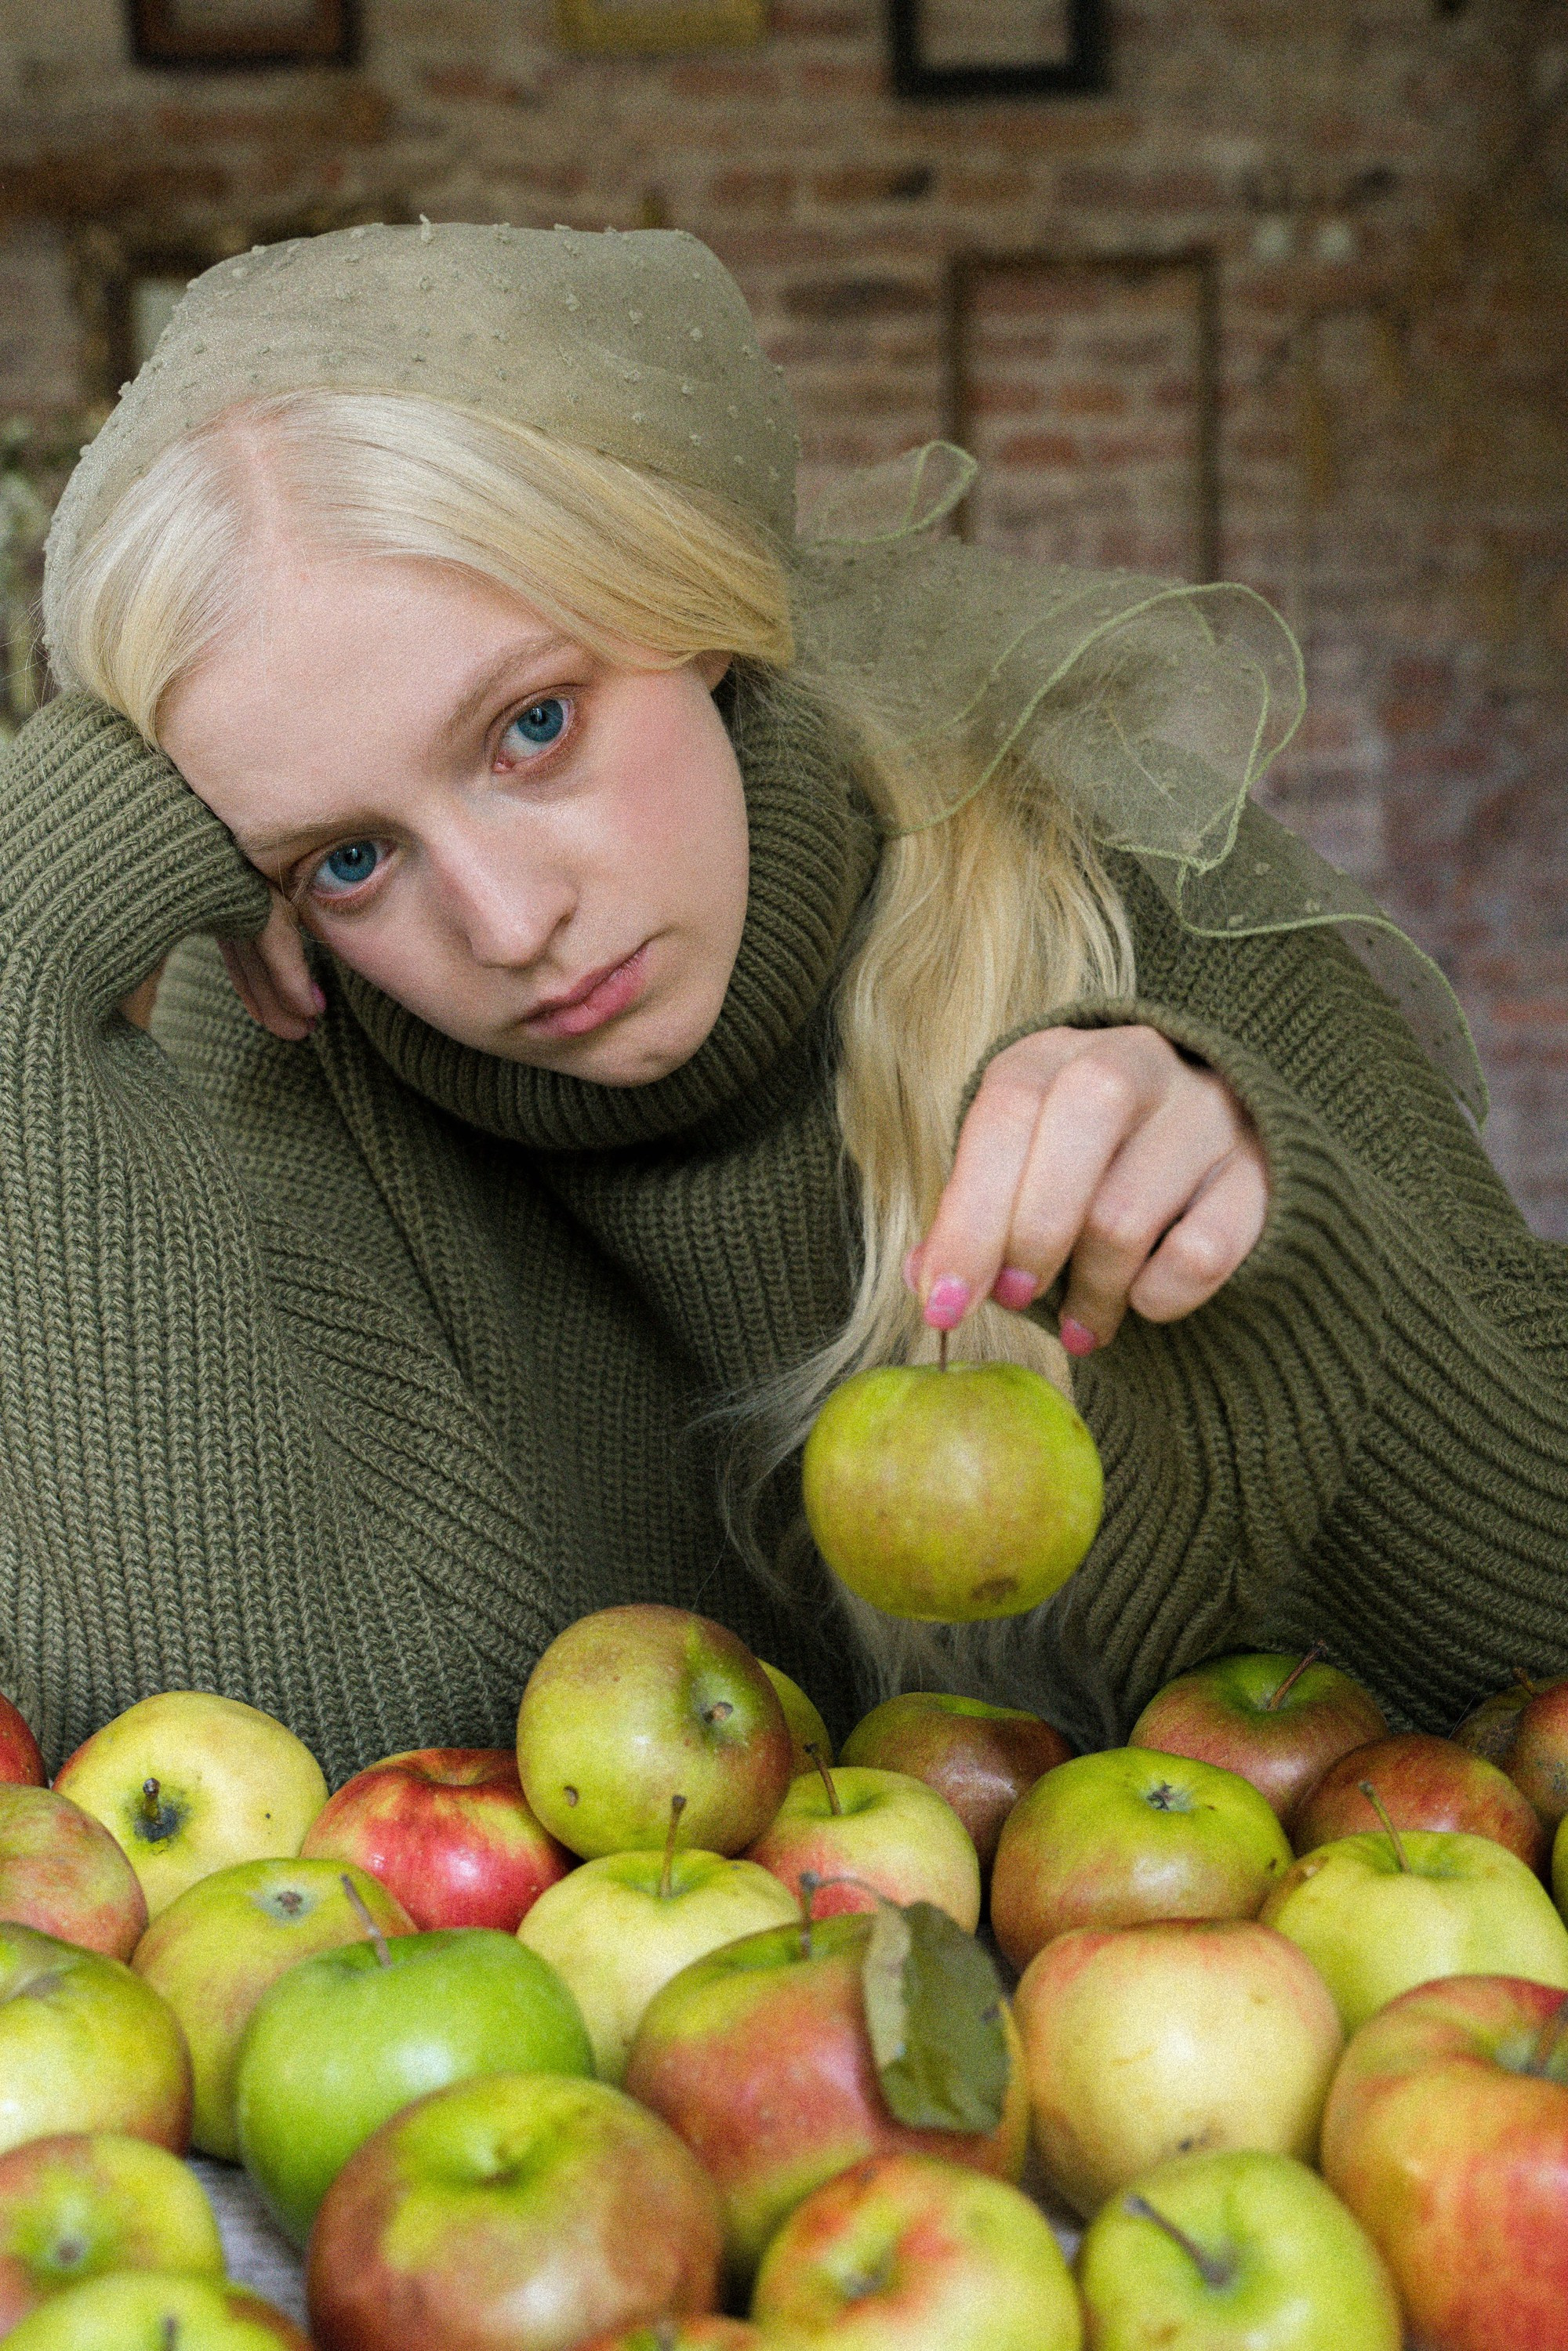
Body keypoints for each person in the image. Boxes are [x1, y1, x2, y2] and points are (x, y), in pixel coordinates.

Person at [7, 219, 1564, 1783]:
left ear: (696, 607)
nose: (507, 920)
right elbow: (237, 1793)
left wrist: (1277, 1276)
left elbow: (1528, 1655)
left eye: (533, 724)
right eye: (349, 855)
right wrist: (21, 936)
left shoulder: (1120, 927)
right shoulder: (278, 1060)